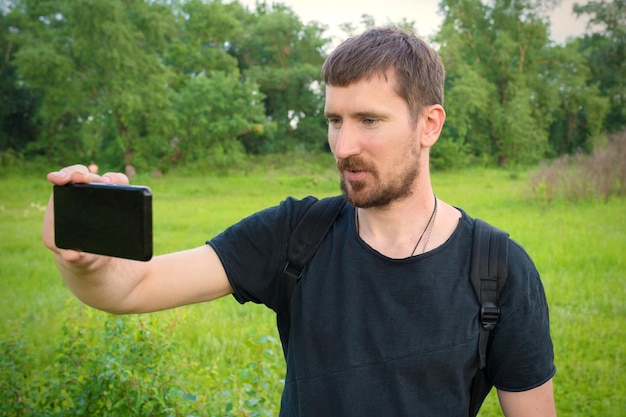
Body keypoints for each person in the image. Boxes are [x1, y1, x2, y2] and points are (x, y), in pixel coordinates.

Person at [42, 27, 556, 416]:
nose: (343, 146)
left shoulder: (497, 269)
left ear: (429, 124)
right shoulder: (296, 235)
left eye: (369, 121)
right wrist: (87, 260)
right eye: (335, 120)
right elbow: (132, 288)